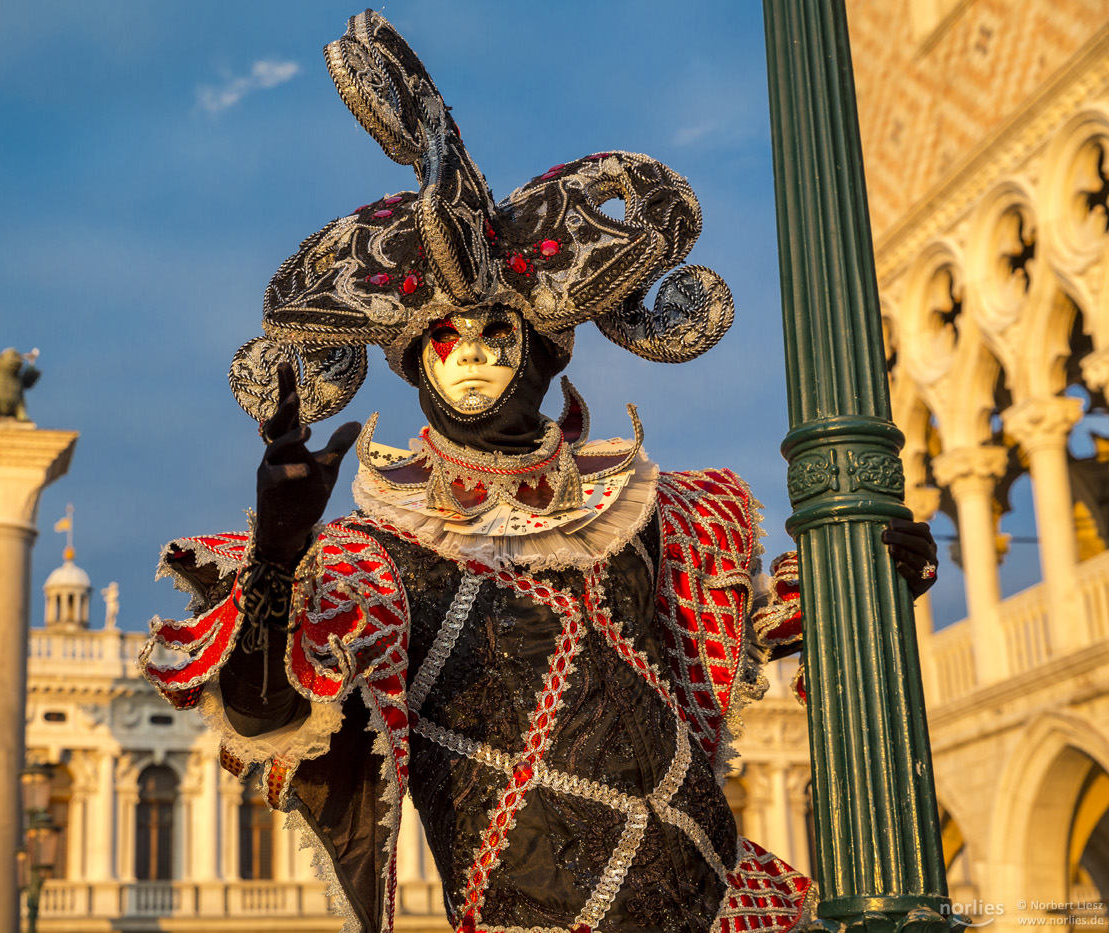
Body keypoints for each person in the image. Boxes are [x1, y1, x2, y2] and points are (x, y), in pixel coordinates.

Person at [140, 13, 938, 933]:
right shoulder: (381, 557)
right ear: (415, 361)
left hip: (735, 910)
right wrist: (279, 559)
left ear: (545, 354)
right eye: (444, 338)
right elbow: (268, 711)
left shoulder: (656, 513)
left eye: (496, 335)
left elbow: (765, 631)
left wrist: (867, 576)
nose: (470, 355)